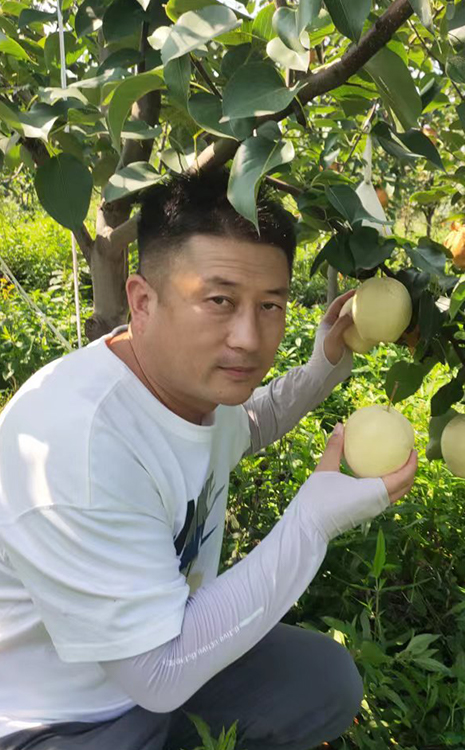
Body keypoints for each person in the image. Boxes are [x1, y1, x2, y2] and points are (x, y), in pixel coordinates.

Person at [0, 169, 418, 750]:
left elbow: (246, 426)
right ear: (142, 300)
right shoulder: (77, 445)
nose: (248, 337)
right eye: (219, 300)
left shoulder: (192, 386)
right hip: (58, 721)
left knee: (322, 680)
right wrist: (309, 524)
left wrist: (325, 361)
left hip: (162, 654)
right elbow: (158, 676)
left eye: (270, 305)